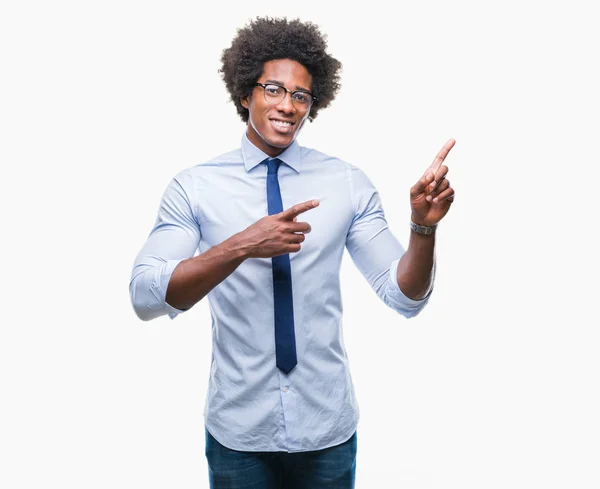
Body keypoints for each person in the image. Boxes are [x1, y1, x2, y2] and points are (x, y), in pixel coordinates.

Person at [129, 16, 455, 489]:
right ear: (245, 94)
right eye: (273, 90)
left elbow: (404, 296)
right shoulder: (195, 187)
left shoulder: (345, 183)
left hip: (327, 425)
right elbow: (145, 295)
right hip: (239, 431)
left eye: (300, 96)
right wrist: (243, 245)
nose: (287, 106)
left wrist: (422, 228)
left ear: (313, 104)